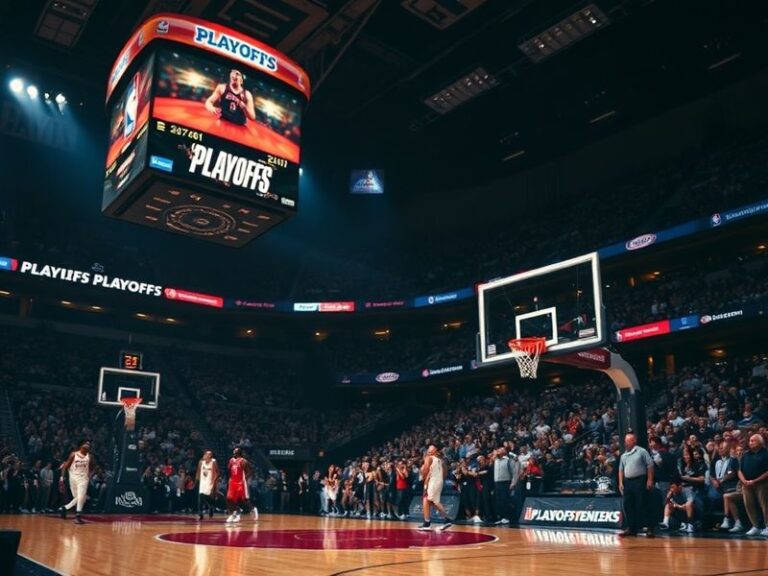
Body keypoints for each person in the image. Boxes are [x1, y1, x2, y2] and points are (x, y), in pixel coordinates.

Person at [618, 433, 654, 537]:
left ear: (634, 441)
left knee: (642, 503)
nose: (625, 443)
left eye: (628, 441)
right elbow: (621, 469)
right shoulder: (624, 455)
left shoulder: (641, 451)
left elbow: (650, 465)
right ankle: (631, 528)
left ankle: (649, 528)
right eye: (625, 441)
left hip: (640, 480)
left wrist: (650, 479)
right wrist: (620, 482)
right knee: (628, 505)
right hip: (628, 482)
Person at [738, 434, 768, 536]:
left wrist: (755, 480)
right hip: (746, 484)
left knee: (765, 505)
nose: (750, 442)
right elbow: (739, 470)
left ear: (760, 442)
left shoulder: (766, 453)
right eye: (750, 441)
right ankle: (756, 526)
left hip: (762, 483)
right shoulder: (746, 454)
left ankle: (767, 525)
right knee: (749, 504)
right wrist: (744, 481)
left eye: (753, 441)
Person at [418, 444, 452, 531]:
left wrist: (425, 482)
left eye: (431, 447)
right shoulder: (441, 461)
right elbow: (445, 473)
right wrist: (439, 480)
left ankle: (446, 520)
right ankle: (427, 522)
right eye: (428, 447)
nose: (428, 449)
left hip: (432, 482)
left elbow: (425, 470)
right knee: (428, 500)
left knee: (434, 501)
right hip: (438, 481)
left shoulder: (428, 458)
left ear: (436, 450)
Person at [58, 442, 93, 524]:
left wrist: (90, 475)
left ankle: (78, 516)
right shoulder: (74, 455)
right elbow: (65, 466)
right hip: (73, 479)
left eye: (88, 444)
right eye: (85, 444)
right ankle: (64, 508)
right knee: (79, 498)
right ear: (81, 446)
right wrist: (61, 479)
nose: (87, 445)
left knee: (81, 496)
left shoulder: (89, 456)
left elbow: (95, 467)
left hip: (83, 479)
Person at [225, 447, 258, 524]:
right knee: (230, 498)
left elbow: (251, 471)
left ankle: (253, 509)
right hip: (233, 482)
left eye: (235, 452)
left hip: (241, 482)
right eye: (233, 452)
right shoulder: (231, 461)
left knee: (243, 500)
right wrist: (230, 479)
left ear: (239, 453)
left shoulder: (243, 461)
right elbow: (229, 471)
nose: (234, 453)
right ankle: (234, 514)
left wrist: (244, 478)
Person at [196, 450, 219, 520]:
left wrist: (215, 482)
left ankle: (210, 507)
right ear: (204, 455)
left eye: (210, 455)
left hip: (210, 482)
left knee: (207, 498)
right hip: (202, 482)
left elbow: (218, 473)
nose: (209, 456)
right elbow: (198, 472)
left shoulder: (214, 462)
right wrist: (196, 482)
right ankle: (200, 513)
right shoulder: (201, 462)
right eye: (207, 454)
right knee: (200, 497)